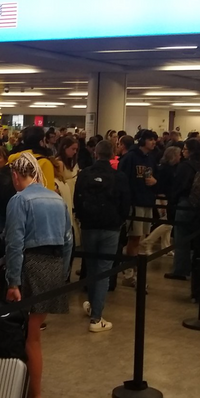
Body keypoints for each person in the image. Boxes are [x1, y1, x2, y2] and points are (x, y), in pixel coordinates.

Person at [4, 152, 73, 398]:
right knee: (34, 334)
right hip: (54, 267)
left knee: (28, 336)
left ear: (16, 175)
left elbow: (15, 243)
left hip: (29, 267)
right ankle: (31, 392)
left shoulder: (19, 200)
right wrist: (62, 274)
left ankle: (34, 396)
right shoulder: (56, 198)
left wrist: (13, 281)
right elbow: (68, 241)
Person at [74, 140, 130, 332]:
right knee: (104, 271)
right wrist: (120, 221)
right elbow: (125, 204)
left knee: (91, 267)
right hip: (111, 227)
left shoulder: (84, 175)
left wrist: (82, 219)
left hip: (89, 226)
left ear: (95, 153)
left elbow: (77, 200)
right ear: (113, 154)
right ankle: (96, 317)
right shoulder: (119, 176)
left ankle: (92, 305)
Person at [118, 130, 159, 288]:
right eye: (150, 139)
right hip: (134, 202)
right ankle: (129, 273)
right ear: (142, 140)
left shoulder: (151, 158)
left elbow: (152, 177)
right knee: (133, 238)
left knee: (141, 238)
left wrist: (154, 182)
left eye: (154, 139)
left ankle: (135, 270)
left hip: (146, 200)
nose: (153, 142)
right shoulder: (130, 157)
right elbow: (123, 179)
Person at [166, 138, 200, 280]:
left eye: (185, 149)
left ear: (190, 151)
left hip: (185, 203)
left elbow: (179, 186)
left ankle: (180, 270)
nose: (183, 152)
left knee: (181, 239)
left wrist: (172, 201)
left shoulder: (185, 166)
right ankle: (196, 269)